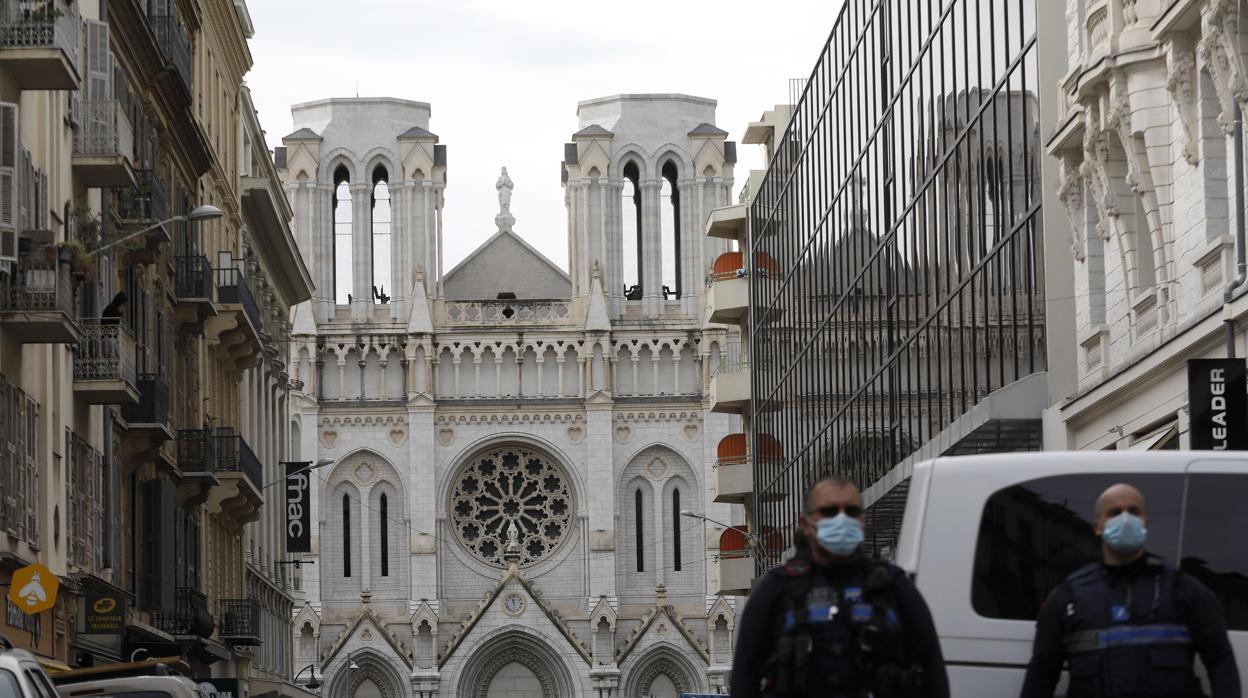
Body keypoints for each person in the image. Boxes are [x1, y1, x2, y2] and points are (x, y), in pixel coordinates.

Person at [731, 476, 949, 698]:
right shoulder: (775, 589)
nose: (842, 519)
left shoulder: (895, 587)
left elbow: (933, 670)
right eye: (829, 511)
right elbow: (744, 675)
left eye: (852, 511)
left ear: (862, 520)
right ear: (805, 524)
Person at [1020, 483, 1240, 698]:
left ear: (1146, 523)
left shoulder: (1184, 588)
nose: (1125, 519)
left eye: (1133, 511)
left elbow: (1220, 660)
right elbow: (1042, 673)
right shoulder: (1068, 597)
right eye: (1114, 512)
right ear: (1097, 527)